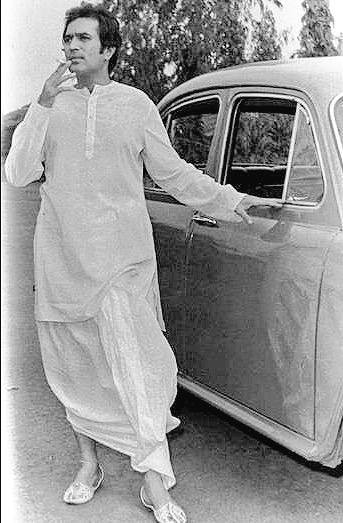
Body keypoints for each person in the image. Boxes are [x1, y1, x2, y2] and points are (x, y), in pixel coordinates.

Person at [5, 4, 281, 522]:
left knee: (140, 369)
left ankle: (154, 483)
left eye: (83, 38)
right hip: (62, 262)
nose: (71, 46)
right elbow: (19, 174)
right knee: (77, 371)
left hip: (123, 264)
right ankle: (89, 465)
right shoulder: (47, 107)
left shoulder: (135, 105)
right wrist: (40, 106)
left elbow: (173, 174)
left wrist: (228, 199)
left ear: (107, 49)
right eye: (67, 39)